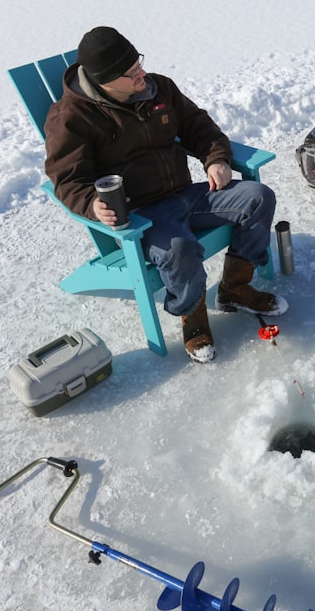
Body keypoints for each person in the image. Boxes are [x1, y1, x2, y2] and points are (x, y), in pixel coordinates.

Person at [44, 26, 286, 363]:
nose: (141, 73)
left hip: (187, 195)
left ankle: (234, 288)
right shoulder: (70, 118)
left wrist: (215, 158)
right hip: (142, 216)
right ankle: (194, 317)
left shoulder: (159, 89)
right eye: (131, 73)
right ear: (105, 82)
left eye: (138, 63)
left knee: (258, 196)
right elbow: (66, 178)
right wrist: (92, 204)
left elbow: (198, 126)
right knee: (180, 248)